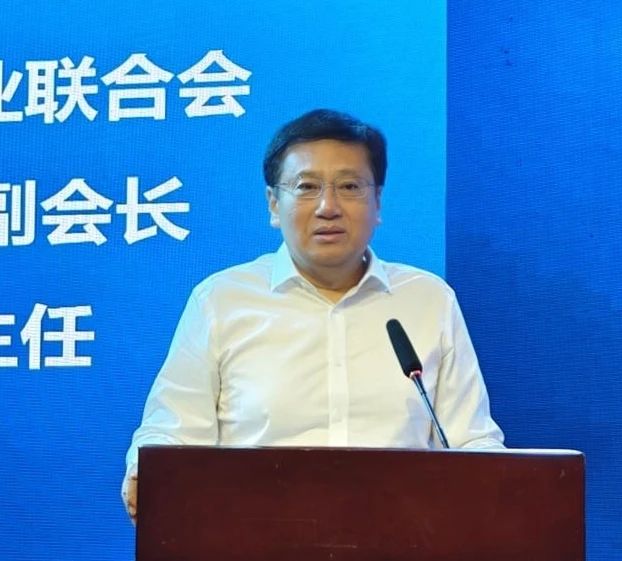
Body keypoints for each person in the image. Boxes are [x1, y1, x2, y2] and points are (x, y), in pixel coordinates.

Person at [121, 109, 504, 523]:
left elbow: (470, 441)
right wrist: (146, 473)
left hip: (404, 535)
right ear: (273, 204)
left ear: (377, 202)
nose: (328, 207)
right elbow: (174, 432)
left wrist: (502, 486)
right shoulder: (221, 301)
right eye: (306, 187)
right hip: (253, 535)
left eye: (349, 186)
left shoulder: (428, 300)